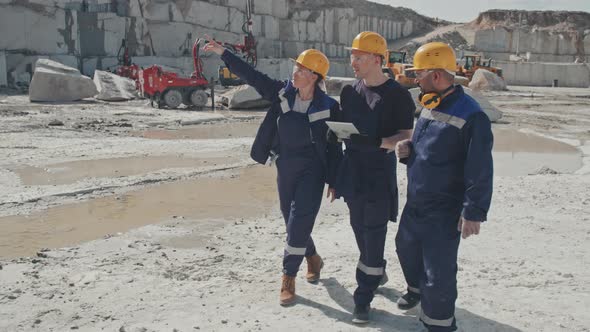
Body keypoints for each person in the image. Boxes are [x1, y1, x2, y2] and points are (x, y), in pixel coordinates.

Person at [203, 37, 342, 306]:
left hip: (313, 170)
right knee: (289, 218)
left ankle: (288, 276)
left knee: (299, 219)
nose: (295, 72)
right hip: (286, 165)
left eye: (302, 69)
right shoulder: (281, 92)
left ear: (314, 76)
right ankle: (312, 257)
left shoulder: (329, 107)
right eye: (296, 67)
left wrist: (334, 179)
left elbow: (336, 147)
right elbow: (252, 76)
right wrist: (224, 53)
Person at [394, 42, 494, 332]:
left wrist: (473, 211)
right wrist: (408, 151)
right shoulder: (428, 105)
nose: (415, 80)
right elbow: (428, 149)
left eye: (419, 74)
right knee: (405, 248)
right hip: (416, 203)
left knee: (438, 274)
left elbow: (480, 167)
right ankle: (416, 290)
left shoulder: (472, 116)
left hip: (444, 210)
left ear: (437, 75)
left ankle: (439, 325)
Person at [331, 31, 414, 324]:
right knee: (359, 228)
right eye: (352, 56)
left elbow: (406, 136)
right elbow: (342, 128)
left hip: (379, 173)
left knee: (374, 231)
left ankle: (363, 297)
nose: (352, 62)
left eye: (359, 57)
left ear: (377, 59)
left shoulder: (398, 95)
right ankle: (376, 268)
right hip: (351, 172)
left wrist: (379, 143)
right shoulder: (348, 91)